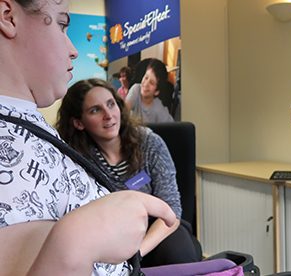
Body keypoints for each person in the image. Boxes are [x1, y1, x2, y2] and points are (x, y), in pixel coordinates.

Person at [0, 0, 176, 275]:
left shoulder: (31, 123)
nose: (73, 51)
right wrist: (78, 238)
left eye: (111, 105)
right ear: (8, 16)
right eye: (61, 25)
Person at [56, 78, 203, 267]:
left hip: (159, 229)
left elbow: (172, 210)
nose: (108, 115)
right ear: (78, 123)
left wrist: (136, 254)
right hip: (109, 236)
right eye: (95, 110)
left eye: (111, 104)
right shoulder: (76, 159)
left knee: (177, 253)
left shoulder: (149, 143)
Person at [125, 58, 174, 123]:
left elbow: (173, 128)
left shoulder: (159, 109)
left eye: (151, 83)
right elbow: (124, 111)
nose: (146, 83)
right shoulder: (136, 89)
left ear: (156, 92)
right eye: (146, 77)